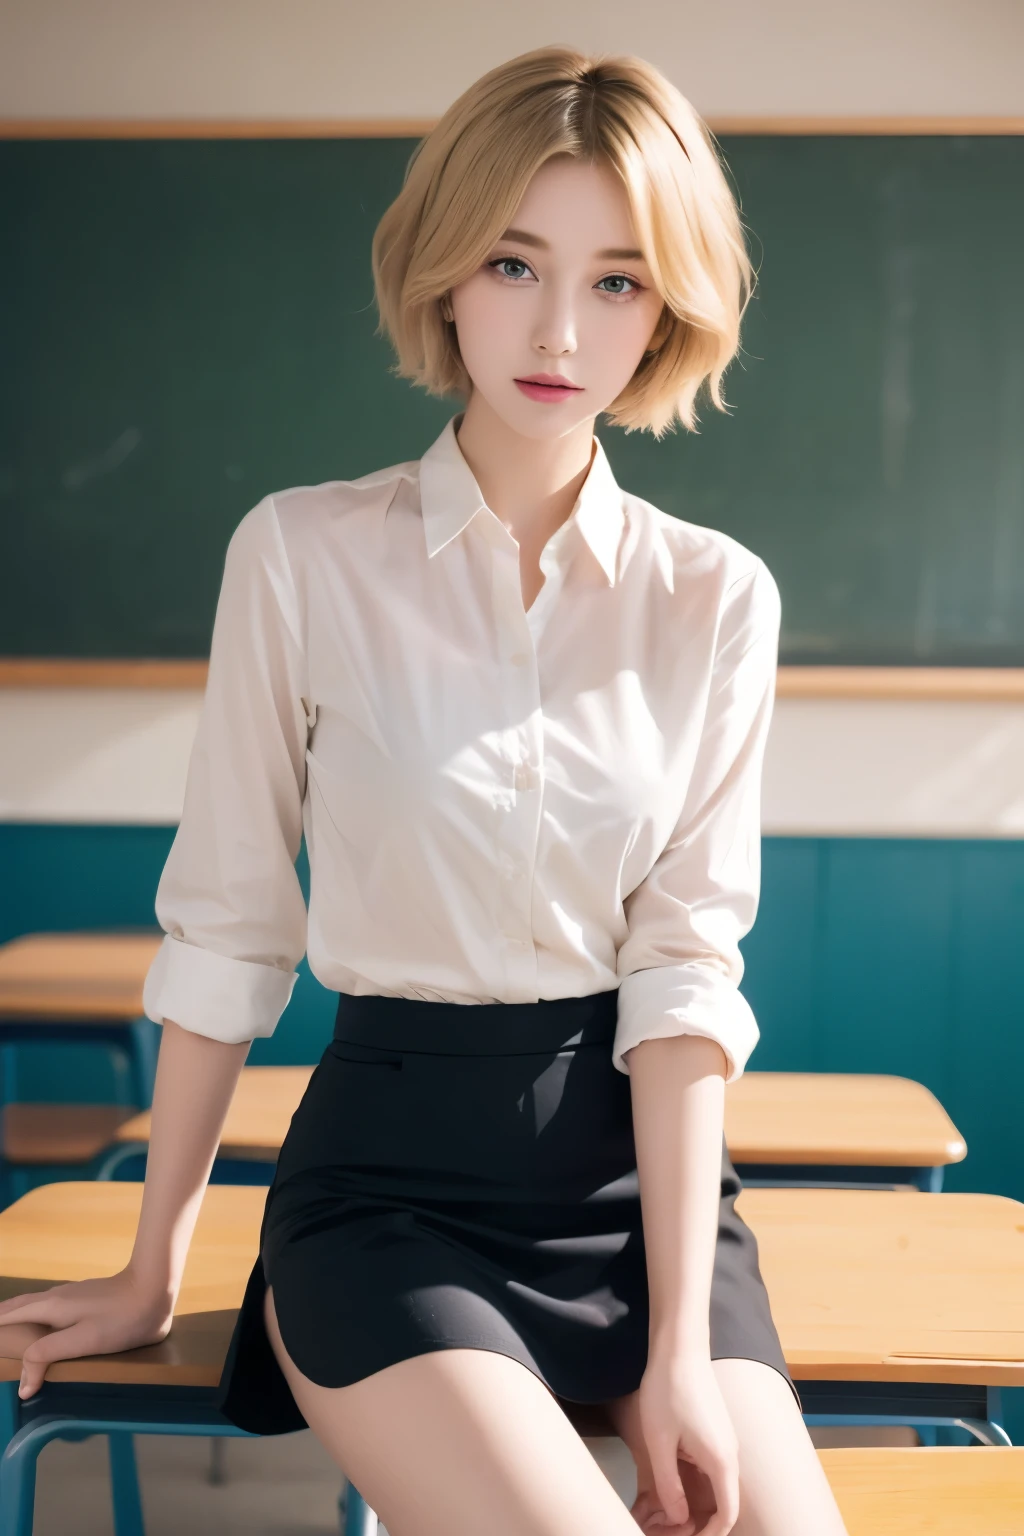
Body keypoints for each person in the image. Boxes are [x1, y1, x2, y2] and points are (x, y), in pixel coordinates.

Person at [0, 45, 850, 1536]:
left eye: (617, 281)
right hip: (389, 1192)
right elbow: (228, 931)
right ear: (446, 270)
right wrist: (154, 1267)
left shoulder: (716, 597)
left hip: (637, 1194)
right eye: (517, 261)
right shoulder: (301, 556)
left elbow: (684, 971)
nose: (558, 328)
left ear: (667, 313)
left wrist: (674, 1351)